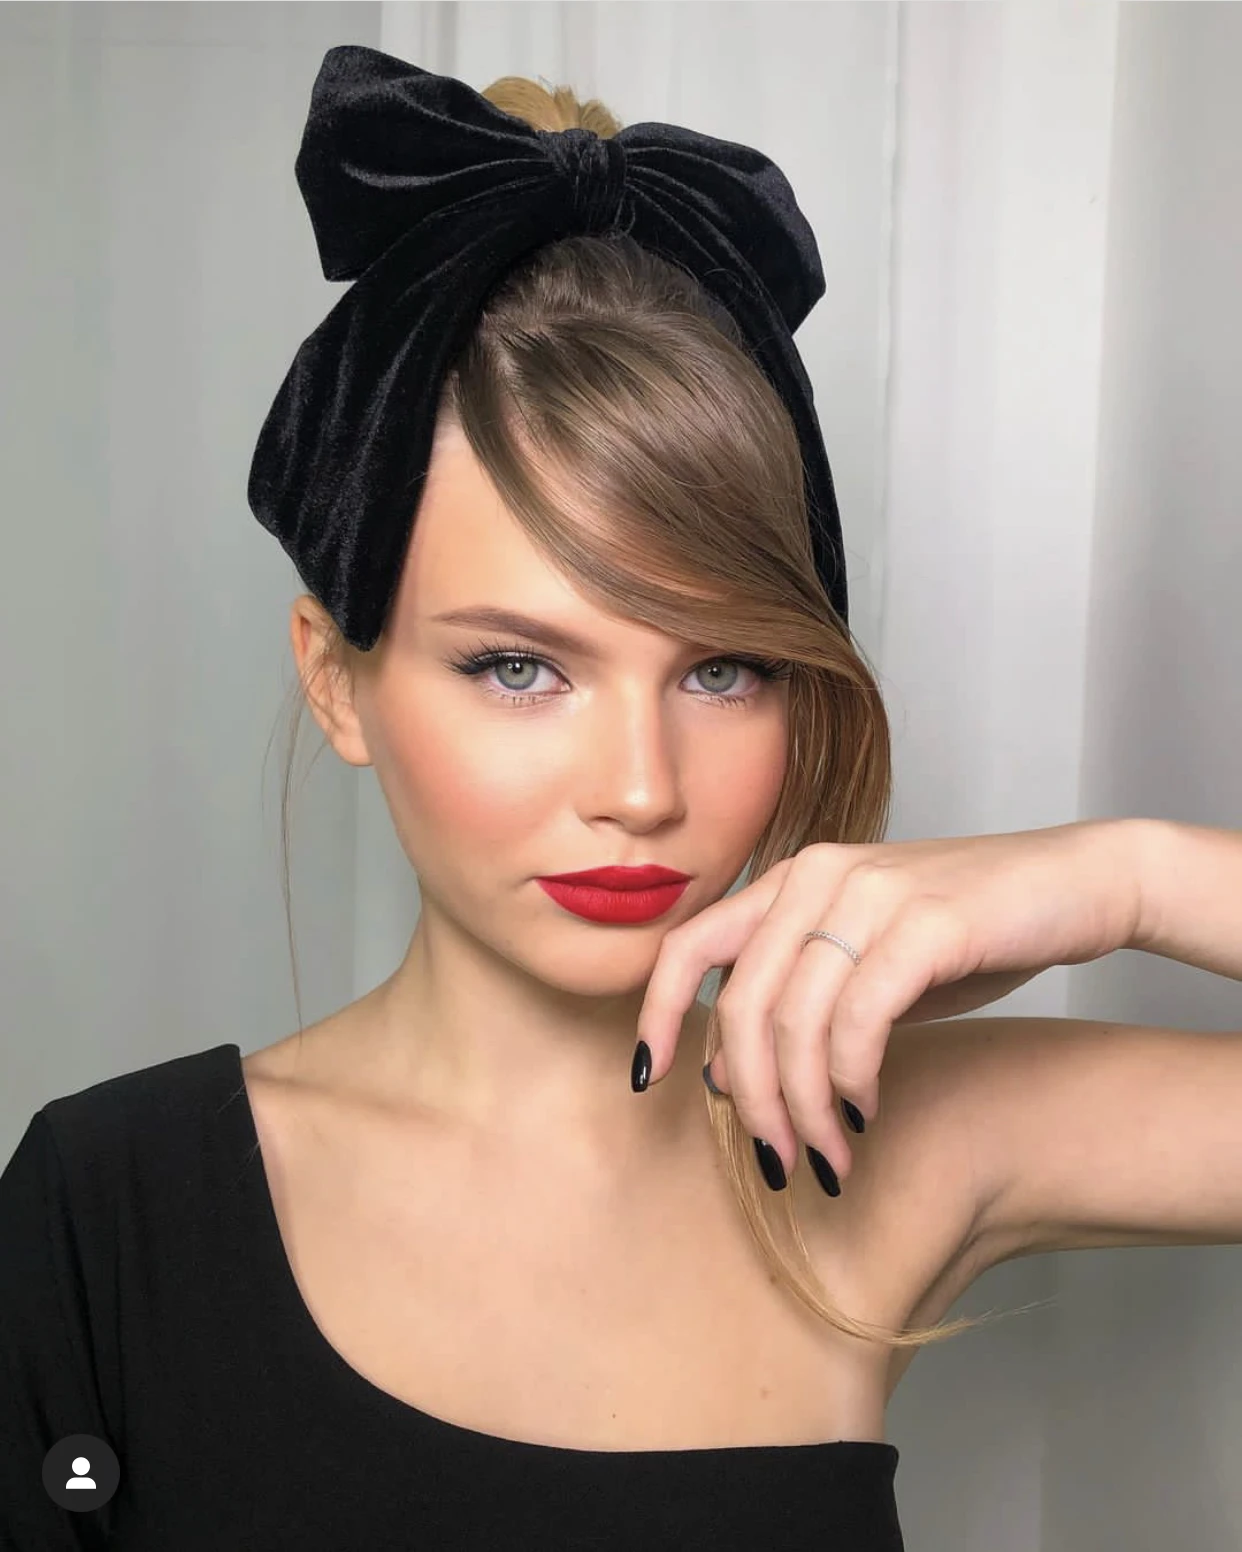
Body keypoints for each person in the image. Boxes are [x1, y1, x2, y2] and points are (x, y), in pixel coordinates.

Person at [3, 47, 1241, 1552]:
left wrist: (1125, 878)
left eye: (722, 669)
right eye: (521, 668)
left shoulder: (896, 1136)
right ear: (335, 679)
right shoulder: (110, 1207)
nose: (643, 790)